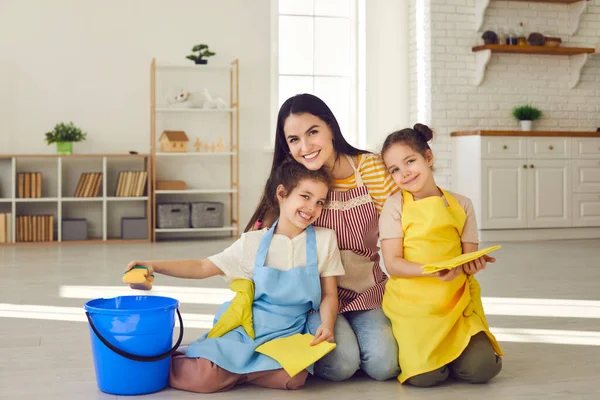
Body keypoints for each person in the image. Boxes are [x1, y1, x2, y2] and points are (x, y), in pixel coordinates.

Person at [125, 160, 345, 393]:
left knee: (295, 378)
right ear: (282, 193)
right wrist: (153, 265)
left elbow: (329, 294)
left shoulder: (325, 239)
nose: (312, 207)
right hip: (250, 328)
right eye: (305, 196)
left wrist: (327, 324)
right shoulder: (253, 242)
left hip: (288, 332)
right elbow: (202, 267)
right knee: (204, 381)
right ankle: (212, 363)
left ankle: (231, 371)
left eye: (320, 202)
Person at [245, 93, 401, 382]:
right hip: (313, 297)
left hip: (365, 289)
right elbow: (261, 236)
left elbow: (403, 225)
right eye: (293, 140)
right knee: (341, 365)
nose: (305, 147)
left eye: (313, 132)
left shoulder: (369, 169)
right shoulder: (296, 179)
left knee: (385, 365)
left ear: (330, 127)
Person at [378, 123, 504, 387]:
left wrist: (474, 264)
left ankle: (457, 351)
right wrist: (431, 270)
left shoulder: (462, 204)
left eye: (410, 161)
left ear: (428, 157)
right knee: (425, 378)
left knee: (483, 369)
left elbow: (468, 260)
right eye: (395, 170)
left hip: (455, 302)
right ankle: (439, 357)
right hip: (413, 306)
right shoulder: (393, 207)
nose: (404, 173)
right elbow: (393, 264)